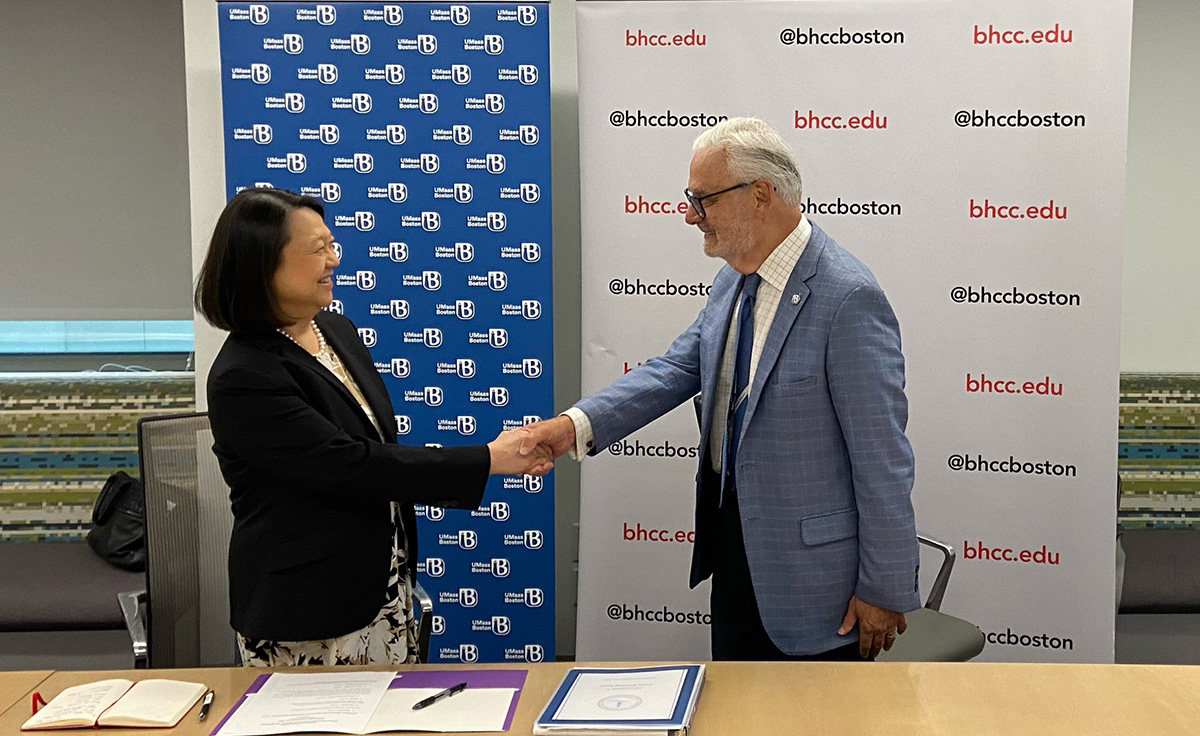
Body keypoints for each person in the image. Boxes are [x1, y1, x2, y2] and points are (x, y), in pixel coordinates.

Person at [522, 118, 919, 660]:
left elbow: (883, 457)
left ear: (760, 195)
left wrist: (884, 587)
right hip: (735, 553)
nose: (689, 214)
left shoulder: (847, 298)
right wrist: (574, 426)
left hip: (818, 584)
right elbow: (677, 368)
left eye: (702, 198)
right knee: (739, 730)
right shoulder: (734, 276)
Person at [196, 187, 552, 667]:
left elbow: (375, 445)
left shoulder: (334, 330)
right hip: (308, 612)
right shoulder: (245, 376)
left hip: (383, 589)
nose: (333, 261)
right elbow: (352, 465)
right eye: (316, 249)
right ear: (263, 263)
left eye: (332, 245)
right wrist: (489, 459)